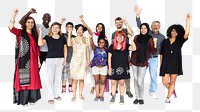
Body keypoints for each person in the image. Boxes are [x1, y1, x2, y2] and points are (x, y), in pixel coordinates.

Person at [9, 9, 42, 106]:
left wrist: (39, 60)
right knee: (23, 79)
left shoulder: (35, 35)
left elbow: (37, 49)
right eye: (28, 22)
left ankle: (32, 99)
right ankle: (24, 100)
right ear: (25, 23)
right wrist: (13, 15)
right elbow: (11, 28)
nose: (30, 24)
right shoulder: (21, 33)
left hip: (34, 60)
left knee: (33, 79)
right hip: (24, 60)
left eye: (32, 22)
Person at [134, 5, 165, 99]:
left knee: (153, 76)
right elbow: (140, 26)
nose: (155, 27)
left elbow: (162, 51)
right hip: (144, 57)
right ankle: (139, 93)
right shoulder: (148, 33)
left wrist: (162, 63)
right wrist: (138, 16)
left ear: (159, 27)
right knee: (140, 77)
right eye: (154, 25)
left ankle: (152, 91)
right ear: (151, 27)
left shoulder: (162, 37)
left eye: (157, 26)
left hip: (154, 59)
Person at [160, 14, 191, 103]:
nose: (174, 33)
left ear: (178, 33)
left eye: (176, 32)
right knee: (164, 82)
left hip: (175, 64)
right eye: (173, 31)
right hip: (165, 64)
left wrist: (188, 21)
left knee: (172, 82)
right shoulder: (165, 41)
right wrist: (161, 65)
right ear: (170, 31)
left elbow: (187, 33)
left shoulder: (180, 41)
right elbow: (161, 54)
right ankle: (172, 90)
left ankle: (168, 98)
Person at [38, 22, 67, 104]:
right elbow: (39, 43)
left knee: (57, 78)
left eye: (57, 27)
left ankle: (56, 95)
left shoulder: (62, 38)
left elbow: (65, 49)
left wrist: (64, 59)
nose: (55, 29)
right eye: (53, 27)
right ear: (51, 29)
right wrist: (40, 32)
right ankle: (50, 97)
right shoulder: (48, 37)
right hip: (50, 60)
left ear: (59, 29)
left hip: (60, 59)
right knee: (50, 78)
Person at [130, 23, 157, 105]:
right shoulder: (136, 37)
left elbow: (153, 52)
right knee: (135, 79)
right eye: (142, 28)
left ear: (148, 29)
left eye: (145, 28)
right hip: (134, 61)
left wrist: (155, 43)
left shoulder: (150, 39)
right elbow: (133, 49)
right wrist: (130, 60)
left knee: (140, 81)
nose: (143, 30)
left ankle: (141, 97)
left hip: (143, 62)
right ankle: (137, 97)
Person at [108, 31, 136, 105]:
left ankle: (121, 96)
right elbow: (109, 58)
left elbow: (134, 48)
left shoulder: (126, 46)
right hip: (113, 67)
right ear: (115, 37)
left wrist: (131, 39)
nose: (119, 38)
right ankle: (113, 96)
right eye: (118, 36)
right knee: (113, 82)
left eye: (122, 36)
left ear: (124, 38)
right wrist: (109, 68)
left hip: (123, 67)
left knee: (121, 83)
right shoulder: (111, 46)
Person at [111, 17, 134, 98]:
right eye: (117, 22)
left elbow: (131, 33)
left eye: (120, 22)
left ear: (122, 23)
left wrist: (126, 23)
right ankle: (115, 89)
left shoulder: (125, 30)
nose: (118, 24)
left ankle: (128, 90)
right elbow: (112, 45)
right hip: (116, 57)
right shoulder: (113, 34)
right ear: (115, 24)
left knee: (126, 73)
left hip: (125, 56)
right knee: (116, 73)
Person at [67, 23, 90, 102]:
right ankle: (74, 95)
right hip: (75, 62)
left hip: (83, 61)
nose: (80, 31)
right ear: (76, 30)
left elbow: (87, 51)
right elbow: (69, 44)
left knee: (82, 79)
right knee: (75, 79)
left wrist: (88, 62)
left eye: (81, 29)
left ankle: (80, 94)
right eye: (78, 29)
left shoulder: (86, 39)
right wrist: (69, 33)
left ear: (83, 31)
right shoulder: (73, 39)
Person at [60, 18, 76, 93]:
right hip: (63, 58)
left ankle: (70, 86)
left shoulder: (74, 37)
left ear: (72, 28)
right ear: (65, 28)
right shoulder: (62, 35)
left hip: (72, 58)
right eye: (68, 26)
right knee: (63, 74)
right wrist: (61, 22)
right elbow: (57, 29)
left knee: (70, 74)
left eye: (70, 27)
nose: (69, 28)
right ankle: (63, 87)